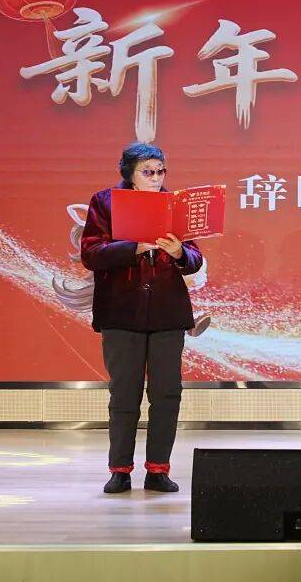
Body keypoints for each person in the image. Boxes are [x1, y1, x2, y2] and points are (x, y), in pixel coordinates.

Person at [81, 143, 204, 494]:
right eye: (147, 172)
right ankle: (119, 469)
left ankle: (158, 469)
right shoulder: (105, 202)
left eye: (160, 171)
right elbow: (91, 253)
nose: (156, 178)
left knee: (167, 393)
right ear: (130, 173)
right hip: (122, 311)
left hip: (168, 312)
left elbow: (195, 258)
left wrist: (179, 252)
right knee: (124, 393)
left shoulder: (175, 205)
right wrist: (133, 247)